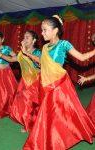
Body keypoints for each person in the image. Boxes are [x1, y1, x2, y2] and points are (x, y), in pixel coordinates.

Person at [23, 15, 95, 150]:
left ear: (55, 30)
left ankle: (56, 140)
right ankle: (51, 139)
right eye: (42, 30)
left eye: (45, 30)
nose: (42, 33)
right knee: (50, 114)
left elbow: (82, 57)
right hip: (45, 84)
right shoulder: (44, 48)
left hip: (58, 85)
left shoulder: (63, 44)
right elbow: (41, 62)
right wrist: (27, 54)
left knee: (59, 112)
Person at [0, 30, 42, 132]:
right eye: (24, 37)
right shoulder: (22, 53)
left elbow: (42, 65)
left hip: (35, 80)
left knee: (31, 102)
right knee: (23, 101)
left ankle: (29, 125)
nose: (24, 39)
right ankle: (27, 120)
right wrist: (0, 55)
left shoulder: (38, 52)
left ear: (34, 40)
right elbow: (12, 59)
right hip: (24, 80)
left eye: (27, 37)